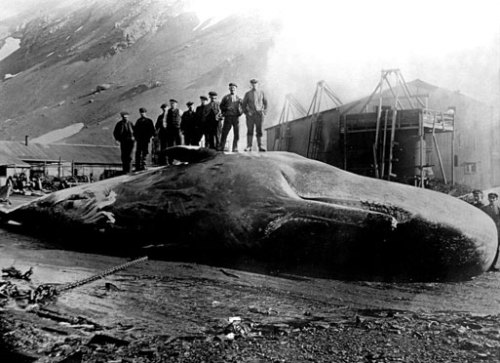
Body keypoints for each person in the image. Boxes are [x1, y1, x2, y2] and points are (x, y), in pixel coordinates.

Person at [242, 78, 268, 152]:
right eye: (252, 84)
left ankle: (260, 146)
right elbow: (243, 105)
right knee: (250, 130)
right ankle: (249, 146)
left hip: (259, 115)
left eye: (255, 83)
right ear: (250, 85)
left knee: (259, 130)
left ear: (258, 84)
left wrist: (264, 111)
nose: (254, 85)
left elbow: (266, 103)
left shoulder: (262, 93)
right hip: (250, 116)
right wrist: (247, 112)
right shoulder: (247, 94)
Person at [219, 82, 243, 152]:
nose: (232, 89)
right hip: (228, 117)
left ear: (236, 89)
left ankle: (235, 147)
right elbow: (221, 106)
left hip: (236, 118)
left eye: (234, 88)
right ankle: (221, 146)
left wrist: (240, 113)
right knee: (224, 133)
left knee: (237, 133)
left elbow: (243, 108)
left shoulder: (239, 99)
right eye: (231, 88)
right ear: (229, 89)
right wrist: (226, 108)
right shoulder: (226, 98)